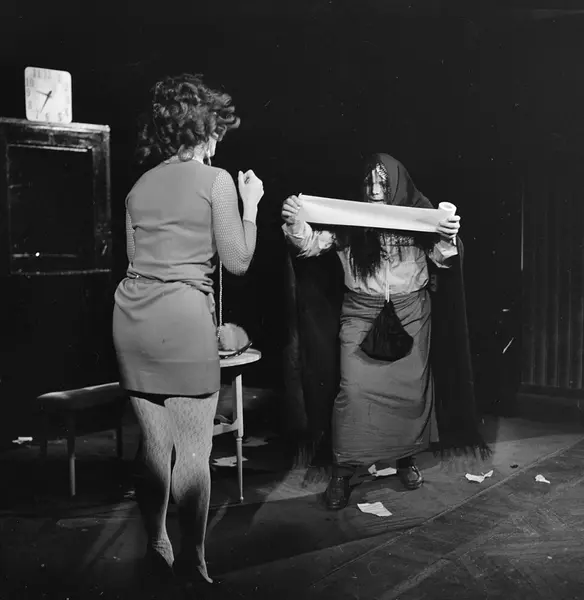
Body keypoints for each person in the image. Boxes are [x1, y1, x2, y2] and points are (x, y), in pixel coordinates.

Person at [112, 73, 264, 593]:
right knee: (194, 453)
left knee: (156, 447)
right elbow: (238, 260)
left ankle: (157, 543)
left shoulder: (138, 188)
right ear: (205, 130)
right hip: (181, 321)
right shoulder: (217, 181)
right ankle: (194, 562)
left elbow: (135, 259)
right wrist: (250, 204)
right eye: (217, 128)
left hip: (132, 319)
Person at [281, 153, 488, 510]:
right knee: (354, 391)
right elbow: (311, 244)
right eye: (370, 182)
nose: (375, 190)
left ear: (397, 185)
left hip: (411, 314)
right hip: (362, 313)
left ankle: (405, 459)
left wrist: (448, 235)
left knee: (410, 395)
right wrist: (295, 222)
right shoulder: (350, 220)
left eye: (383, 182)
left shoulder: (418, 215)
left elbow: (443, 258)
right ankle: (343, 471)